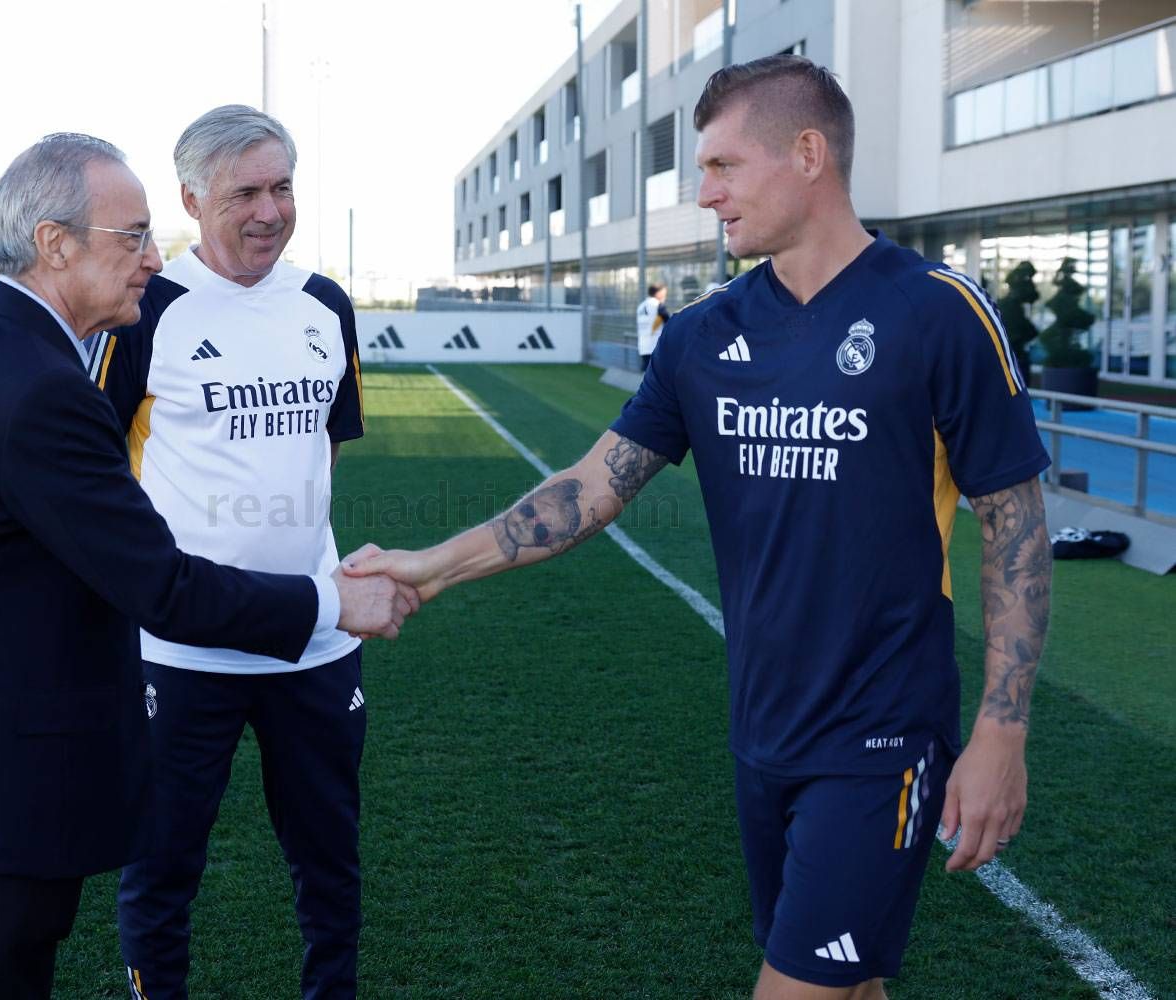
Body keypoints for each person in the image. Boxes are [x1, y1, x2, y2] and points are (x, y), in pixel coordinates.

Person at [346, 56, 1052, 1000]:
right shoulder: (700, 337)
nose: (702, 192)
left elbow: (1015, 525)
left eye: (722, 166)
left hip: (882, 731)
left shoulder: (939, 312)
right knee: (853, 985)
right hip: (761, 729)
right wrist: (430, 567)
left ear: (808, 154)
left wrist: (1001, 731)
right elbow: (587, 491)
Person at [0, 132, 413, 1000]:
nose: (153, 259)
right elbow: (161, 585)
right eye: (134, 236)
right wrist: (331, 604)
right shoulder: (40, 388)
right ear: (54, 243)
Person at [102, 106, 371, 1000]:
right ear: (190, 199)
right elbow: (93, 469)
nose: (269, 210)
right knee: (161, 867)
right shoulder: (147, 309)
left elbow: (324, 449)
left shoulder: (325, 303)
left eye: (282, 187)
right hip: (180, 650)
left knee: (329, 865)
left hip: (317, 638)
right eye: (244, 192)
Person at [635, 282, 671, 371]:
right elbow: (670, 322)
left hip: (643, 347)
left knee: (648, 376)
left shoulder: (641, 306)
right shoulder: (657, 305)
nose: (665, 297)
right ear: (658, 293)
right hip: (655, 347)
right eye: (664, 294)